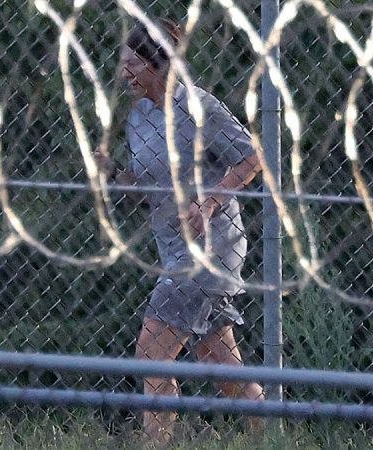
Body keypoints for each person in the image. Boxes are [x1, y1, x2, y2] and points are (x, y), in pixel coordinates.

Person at [93, 19, 265, 443]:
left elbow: (251, 158)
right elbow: (145, 190)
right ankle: (270, 439)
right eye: (122, 64)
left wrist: (208, 202)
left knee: (151, 352)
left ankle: (157, 443)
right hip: (173, 250)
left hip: (212, 248)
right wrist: (112, 173)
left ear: (160, 64)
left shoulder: (199, 107)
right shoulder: (139, 117)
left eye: (133, 64)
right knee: (221, 365)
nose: (125, 73)